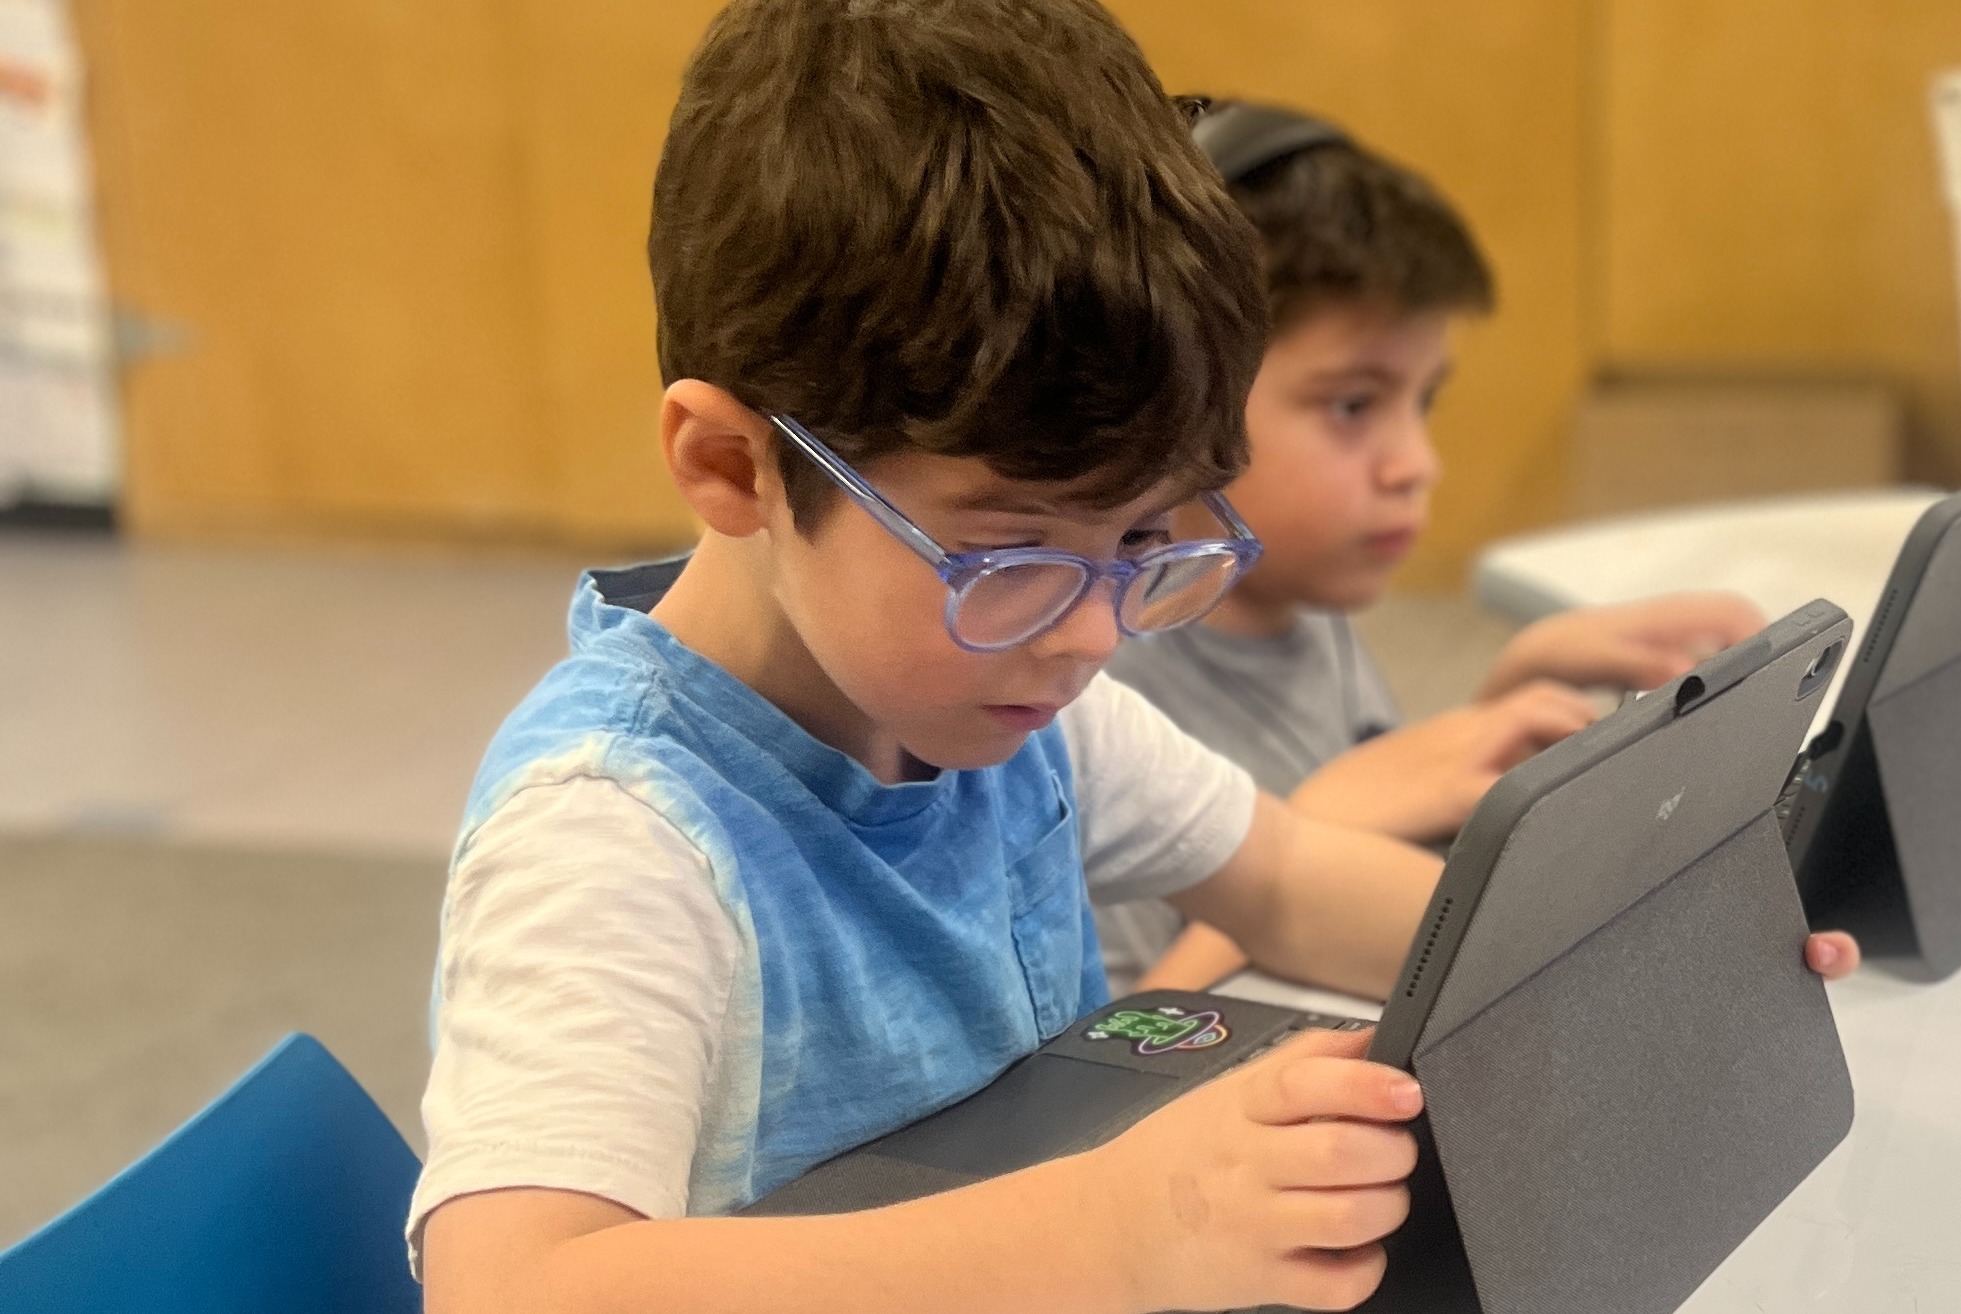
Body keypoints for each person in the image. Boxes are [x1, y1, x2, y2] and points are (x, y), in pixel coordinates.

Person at [407, 5, 1857, 1312]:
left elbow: (1285, 878)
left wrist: (1620, 962)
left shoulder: (1008, 713)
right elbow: (517, 1287)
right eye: (1011, 555)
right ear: (734, 467)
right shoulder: (618, 834)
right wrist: (1114, 1231)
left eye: (1147, 540)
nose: (1096, 632)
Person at [1103, 102, 1770, 993]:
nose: (1416, 464)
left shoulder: (1300, 607)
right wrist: (1312, 833)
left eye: (1423, 402)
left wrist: (1502, 706)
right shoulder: (1088, 686)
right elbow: (1122, 1045)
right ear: (1176, 394)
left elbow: (1388, 812)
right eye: (1352, 405)